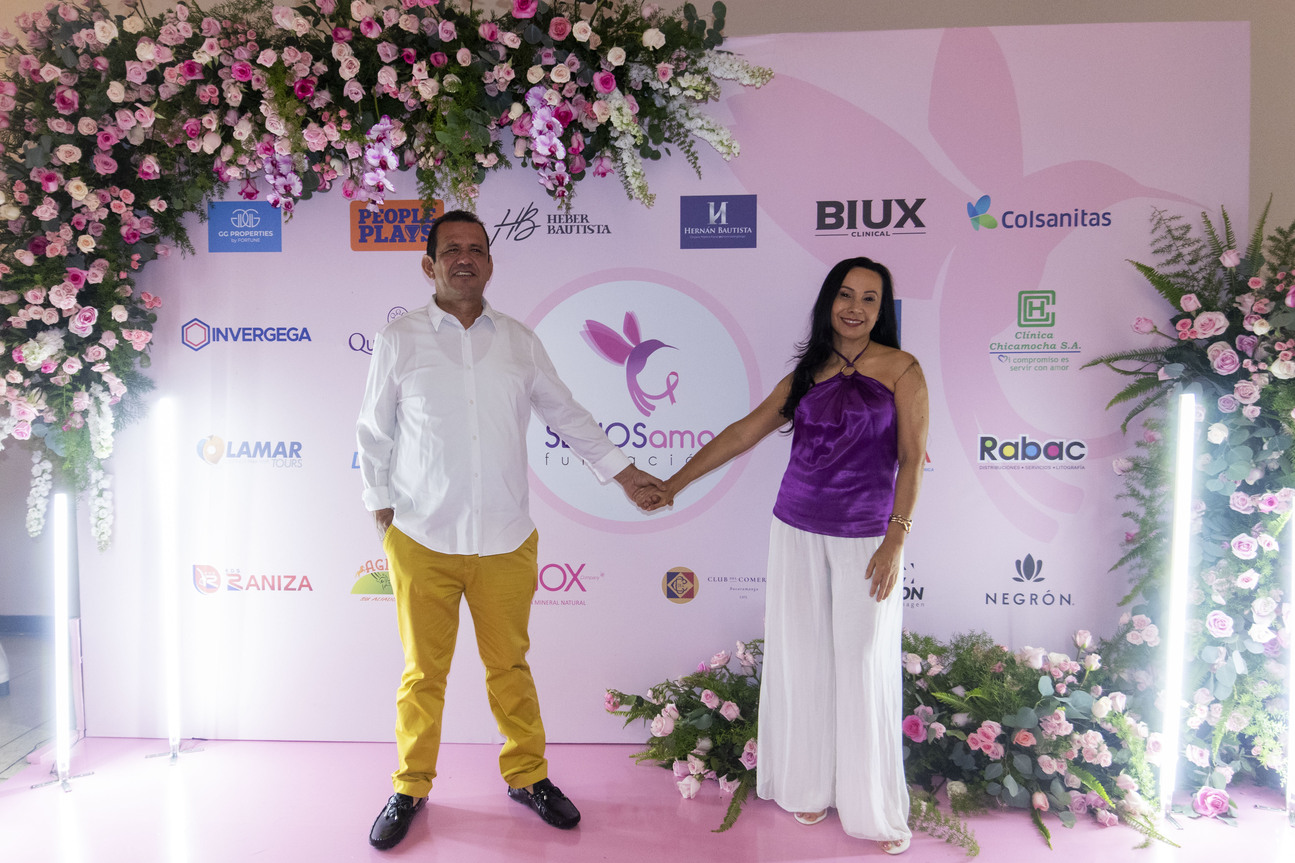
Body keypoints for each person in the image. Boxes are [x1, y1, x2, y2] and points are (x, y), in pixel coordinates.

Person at [356, 209, 663, 850]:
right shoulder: (399, 339)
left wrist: (625, 473)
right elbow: (374, 428)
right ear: (429, 264)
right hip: (422, 537)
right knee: (421, 675)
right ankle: (410, 786)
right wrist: (380, 503)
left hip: (505, 539)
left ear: (491, 264)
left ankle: (528, 777)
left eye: (475, 249)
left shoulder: (520, 341)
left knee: (510, 669)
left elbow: (567, 414)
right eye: (451, 250)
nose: (464, 259)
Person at [642, 257, 927, 855]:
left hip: (866, 538)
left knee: (862, 662)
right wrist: (673, 484)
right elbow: (743, 432)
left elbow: (911, 457)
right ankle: (808, 784)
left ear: (882, 310)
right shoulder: (808, 372)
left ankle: (872, 807)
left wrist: (896, 538)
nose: (855, 307)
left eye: (869, 298)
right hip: (796, 528)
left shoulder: (903, 369)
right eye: (845, 294)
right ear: (828, 302)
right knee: (803, 658)